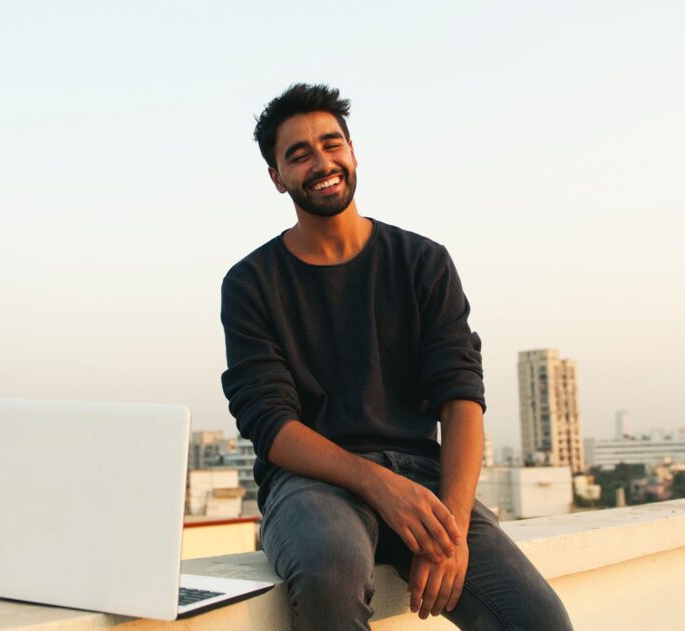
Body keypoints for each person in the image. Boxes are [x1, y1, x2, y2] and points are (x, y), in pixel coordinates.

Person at [220, 83, 573, 631]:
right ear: (277, 177)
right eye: (300, 154)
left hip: (422, 480)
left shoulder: (422, 261)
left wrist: (452, 528)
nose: (322, 163)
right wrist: (378, 484)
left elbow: (461, 397)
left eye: (332, 144)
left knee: (540, 621)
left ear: (353, 152)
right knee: (329, 578)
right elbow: (270, 424)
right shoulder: (251, 283)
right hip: (312, 484)